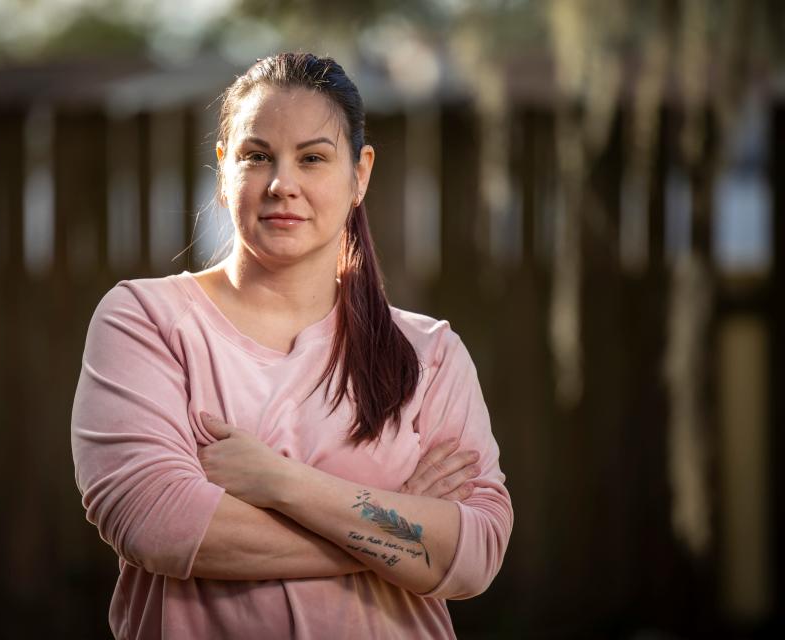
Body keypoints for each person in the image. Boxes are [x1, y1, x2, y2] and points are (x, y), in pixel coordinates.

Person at [71, 52, 512, 639]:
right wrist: (399, 527)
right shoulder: (147, 322)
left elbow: (477, 551)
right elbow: (157, 523)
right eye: (258, 157)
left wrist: (281, 483)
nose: (283, 184)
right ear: (224, 170)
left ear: (360, 175)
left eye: (313, 158)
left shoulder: (429, 353)